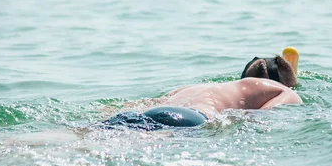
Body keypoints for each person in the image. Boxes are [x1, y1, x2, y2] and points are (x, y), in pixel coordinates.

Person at [103, 49, 302, 131]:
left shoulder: (197, 87)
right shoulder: (281, 90)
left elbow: (141, 104)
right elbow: (264, 117)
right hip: (191, 118)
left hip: (137, 114)